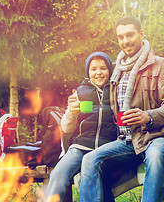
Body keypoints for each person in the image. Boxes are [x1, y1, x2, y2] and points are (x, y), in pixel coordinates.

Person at [79, 16, 164, 202]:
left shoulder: (159, 64)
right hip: (126, 141)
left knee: (156, 157)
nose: (125, 41)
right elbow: (96, 87)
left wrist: (147, 116)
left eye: (130, 35)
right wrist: (75, 99)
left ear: (141, 34)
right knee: (89, 160)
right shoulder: (117, 69)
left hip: (156, 137)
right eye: (120, 37)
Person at [45, 52, 117, 201]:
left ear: (109, 70)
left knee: (91, 172)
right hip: (81, 146)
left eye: (103, 68)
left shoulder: (116, 90)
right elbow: (66, 128)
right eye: (93, 69)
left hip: (107, 147)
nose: (98, 72)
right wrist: (71, 112)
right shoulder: (80, 92)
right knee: (58, 174)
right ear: (88, 72)